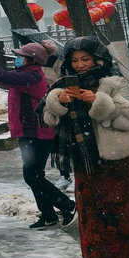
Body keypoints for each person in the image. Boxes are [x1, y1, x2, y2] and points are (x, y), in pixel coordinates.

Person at [42, 37, 129, 258]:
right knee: (91, 213)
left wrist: (97, 102)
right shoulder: (63, 85)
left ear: (98, 59)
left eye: (85, 59)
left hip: (112, 159)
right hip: (82, 160)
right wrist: (58, 102)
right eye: (75, 60)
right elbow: (48, 119)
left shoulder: (114, 82)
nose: (80, 65)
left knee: (117, 212)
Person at [0, 41, 76, 229]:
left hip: (37, 133)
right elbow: (3, 76)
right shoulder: (25, 74)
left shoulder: (31, 76)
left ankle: (68, 206)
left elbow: (2, 76)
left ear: (30, 60)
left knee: (33, 177)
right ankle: (48, 215)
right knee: (34, 175)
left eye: (20, 56)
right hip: (30, 133)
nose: (17, 58)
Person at [39, 38, 72, 189]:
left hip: (65, 103)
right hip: (53, 105)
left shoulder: (62, 63)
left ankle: (71, 175)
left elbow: (63, 81)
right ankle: (64, 175)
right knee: (59, 144)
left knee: (68, 144)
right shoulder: (40, 65)